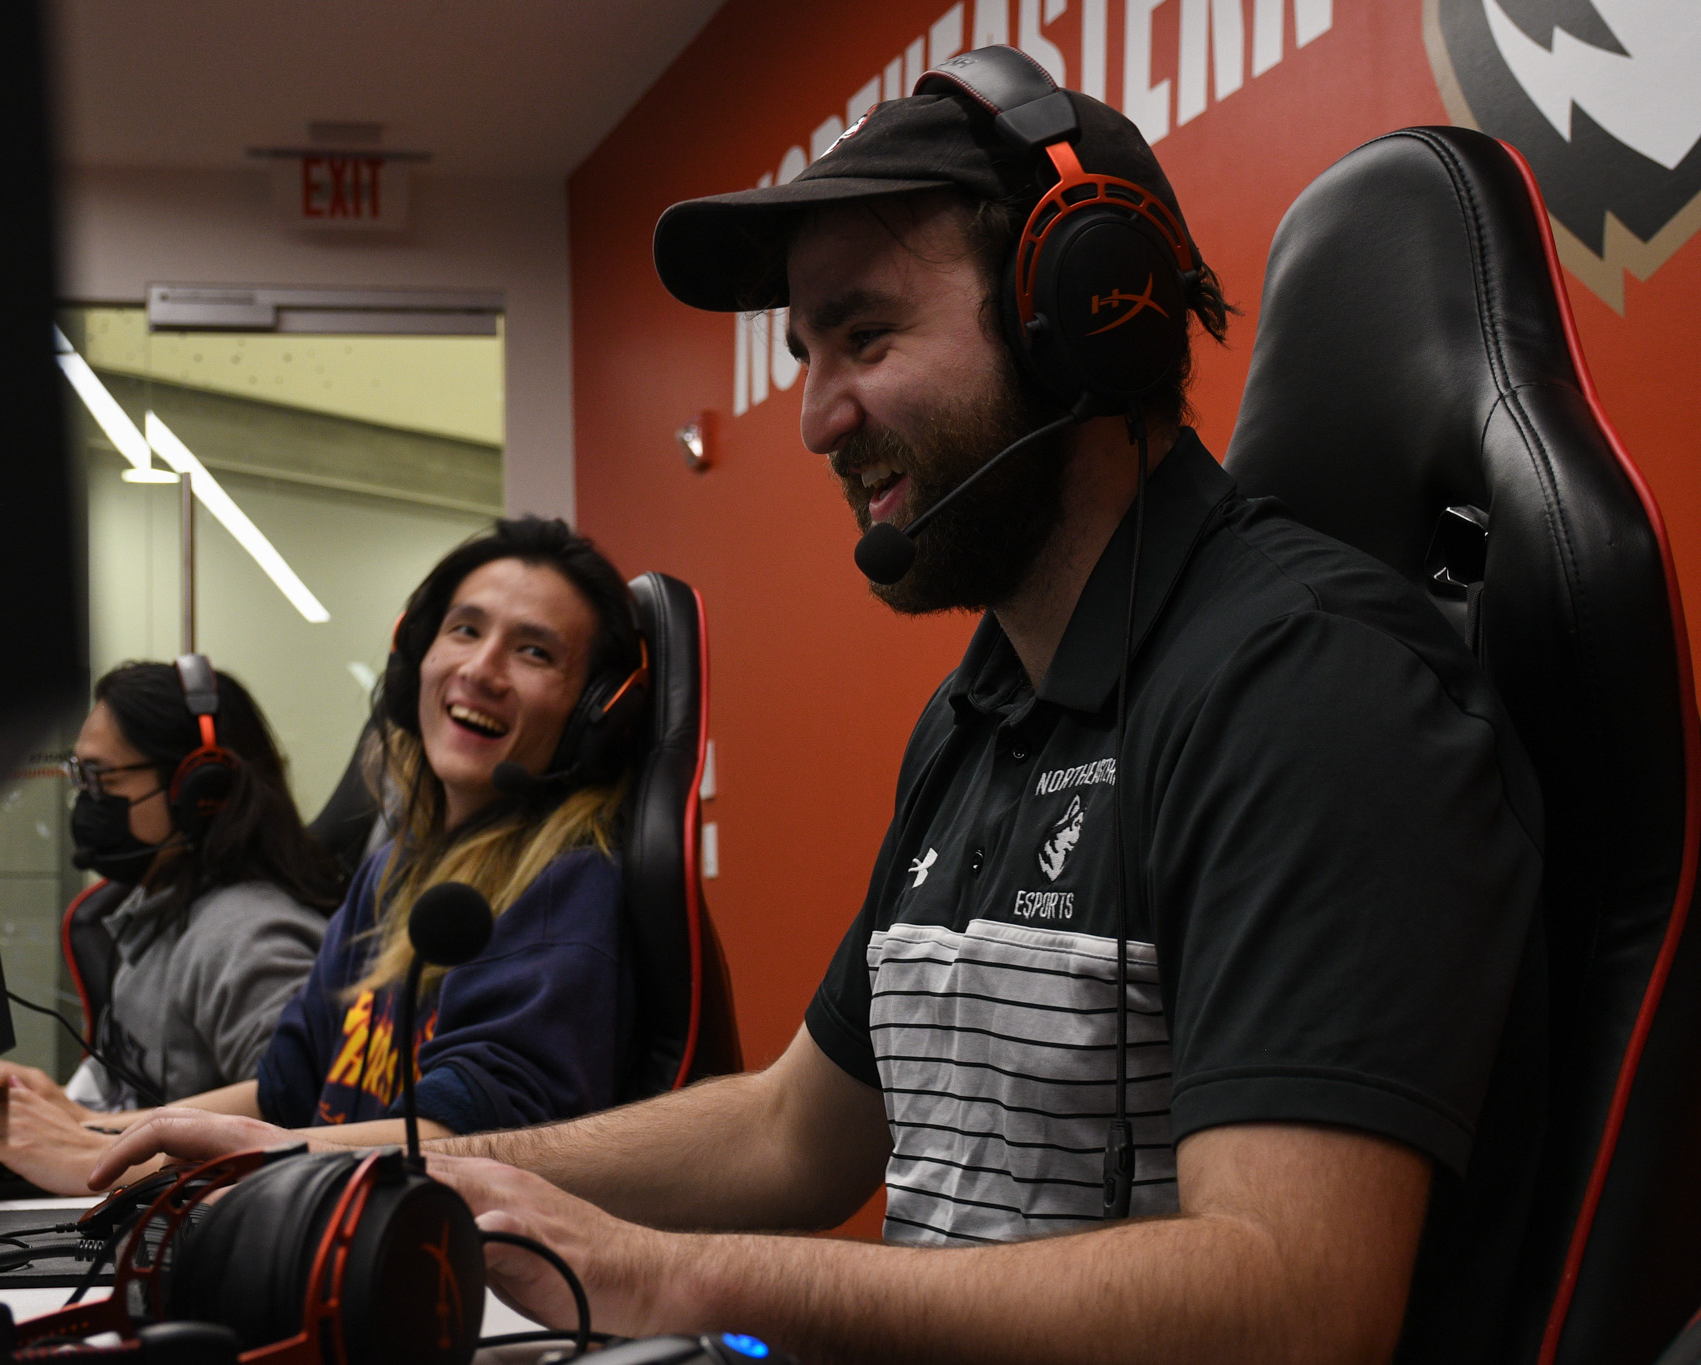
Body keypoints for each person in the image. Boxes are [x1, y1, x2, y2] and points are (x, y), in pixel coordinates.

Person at [92, 48, 1544, 1365]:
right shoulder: (981, 712)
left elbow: (1297, 1302)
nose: (815, 418)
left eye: (866, 335)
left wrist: (688, 1279)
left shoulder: (1307, 685)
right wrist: (395, 1171)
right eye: (808, 355)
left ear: (1077, 317)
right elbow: (800, 1128)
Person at [0, 516, 646, 1195]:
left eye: (534, 650)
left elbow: (474, 1139)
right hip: (338, 1223)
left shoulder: (562, 887)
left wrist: (104, 1160)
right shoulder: (391, 873)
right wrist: (89, 1128)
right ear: (410, 663)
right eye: (464, 629)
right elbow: (282, 1091)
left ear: (592, 714)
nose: (482, 668)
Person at [0, 659, 339, 1132]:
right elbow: (118, 1096)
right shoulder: (150, 912)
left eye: (102, 779)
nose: (86, 800)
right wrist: (42, 1104)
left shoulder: (247, 936)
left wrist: (81, 1127)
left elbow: (293, 1106)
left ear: (200, 789)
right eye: (80, 777)